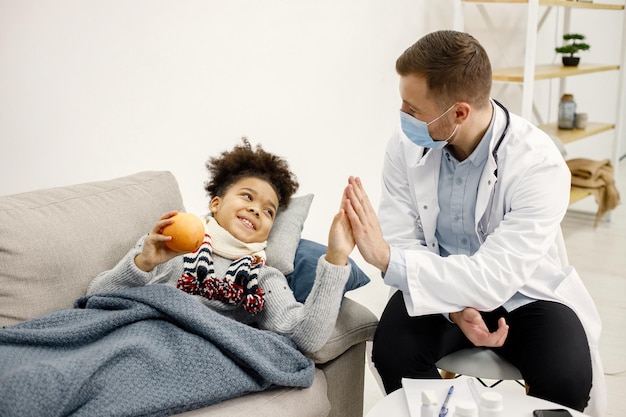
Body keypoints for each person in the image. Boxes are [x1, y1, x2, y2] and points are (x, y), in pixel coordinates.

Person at [341, 30, 605, 416]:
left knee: (566, 377)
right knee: (393, 352)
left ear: (459, 112)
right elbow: (404, 236)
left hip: (525, 293)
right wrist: (451, 309)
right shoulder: (404, 146)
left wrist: (385, 258)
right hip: (437, 292)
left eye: (412, 109)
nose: (403, 116)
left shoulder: (539, 165)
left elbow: (494, 278)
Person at [88, 138, 355, 355]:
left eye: (268, 211)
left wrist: (336, 258)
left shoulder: (262, 279)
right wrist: (143, 263)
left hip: (184, 355)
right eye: (247, 196)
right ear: (216, 204)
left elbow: (305, 337)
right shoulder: (169, 246)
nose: (255, 209)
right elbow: (97, 297)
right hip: (133, 337)